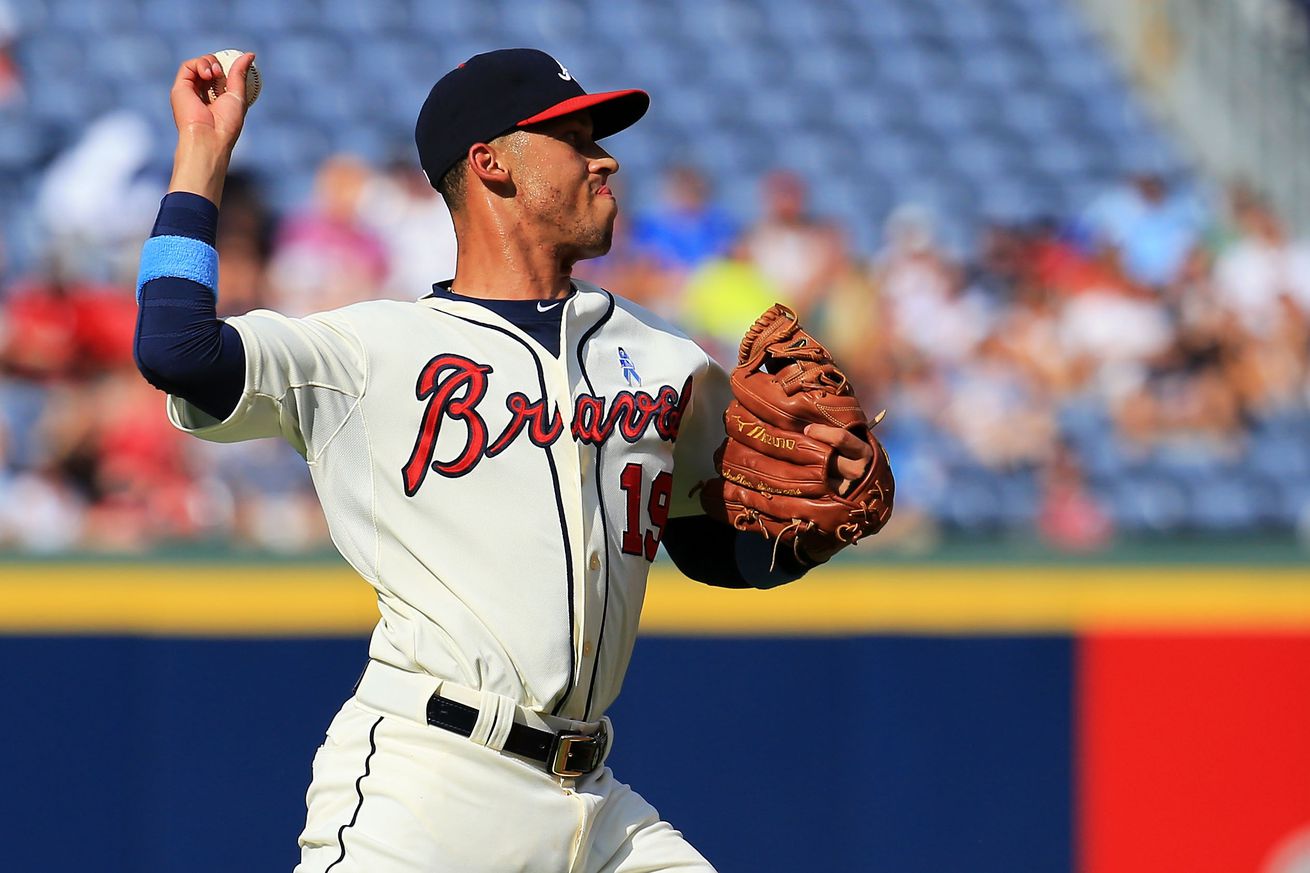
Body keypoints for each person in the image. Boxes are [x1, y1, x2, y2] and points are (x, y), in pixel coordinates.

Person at [133, 49, 876, 872]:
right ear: (490, 163)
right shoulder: (371, 350)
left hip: (593, 802)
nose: (608, 158)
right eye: (575, 136)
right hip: (427, 788)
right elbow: (177, 348)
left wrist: (802, 540)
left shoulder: (667, 362)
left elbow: (710, 547)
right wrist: (203, 151)